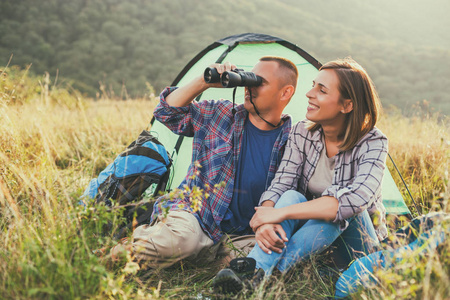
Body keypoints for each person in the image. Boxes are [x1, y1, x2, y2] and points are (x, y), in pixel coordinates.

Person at [212, 57, 389, 294]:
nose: (309, 93)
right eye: (314, 85)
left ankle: (271, 272)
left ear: (347, 105)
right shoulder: (302, 133)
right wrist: (266, 217)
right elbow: (281, 182)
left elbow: (353, 201)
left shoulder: (373, 142)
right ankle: (254, 272)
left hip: (357, 247)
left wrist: (279, 213)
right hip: (311, 241)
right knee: (292, 195)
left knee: (338, 213)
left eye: (321, 90)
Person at [110, 56, 299, 268]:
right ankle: (120, 252)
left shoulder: (294, 141)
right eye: (248, 80)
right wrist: (204, 81)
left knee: (274, 254)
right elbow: (166, 112)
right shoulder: (220, 114)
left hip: (240, 235)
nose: (248, 87)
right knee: (184, 240)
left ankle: (187, 254)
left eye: (259, 82)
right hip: (196, 216)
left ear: (286, 92)